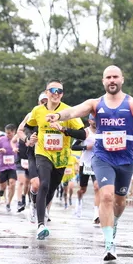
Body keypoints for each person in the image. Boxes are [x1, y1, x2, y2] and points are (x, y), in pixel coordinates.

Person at [46, 65, 133, 261]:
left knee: (120, 202)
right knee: (106, 195)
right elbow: (73, 112)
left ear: (122, 80)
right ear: (103, 81)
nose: (112, 80)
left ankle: (114, 224)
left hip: (125, 160)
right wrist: (57, 116)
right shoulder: (95, 104)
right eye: (108, 77)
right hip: (102, 156)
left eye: (115, 77)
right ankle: (108, 245)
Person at [24, 79, 86, 240]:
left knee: (51, 189)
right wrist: (30, 136)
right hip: (43, 153)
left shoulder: (68, 111)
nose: (56, 93)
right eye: (53, 90)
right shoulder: (37, 110)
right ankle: (40, 225)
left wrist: (64, 129)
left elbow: (83, 134)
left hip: (62, 157)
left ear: (62, 94)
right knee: (43, 183)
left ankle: (39, 208)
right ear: (46, 93)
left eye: (59, 91)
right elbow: (28, 126)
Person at [17, 92, 48, 223]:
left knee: (47, 185)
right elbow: (20, 131)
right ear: (38, 102)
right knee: (36, 185)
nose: (45, 103)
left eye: (47, 101)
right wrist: (27, 139)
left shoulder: (59, 115)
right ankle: (33, 203)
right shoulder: (32, 115)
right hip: (34, 154)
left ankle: (44, 210)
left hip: (50, 154)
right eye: (43, 101)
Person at [72, 114, 100, 224]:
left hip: (97, 164)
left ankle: (96, 214)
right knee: (82, 189)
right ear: (89, 121)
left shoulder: (103, 132)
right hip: (85, 164)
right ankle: (79, 201)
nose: (95, 122)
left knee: (97, 187)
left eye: (97, 119)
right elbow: (73, 146)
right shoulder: (85, 132)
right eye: (93, 120)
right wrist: (86, 147)